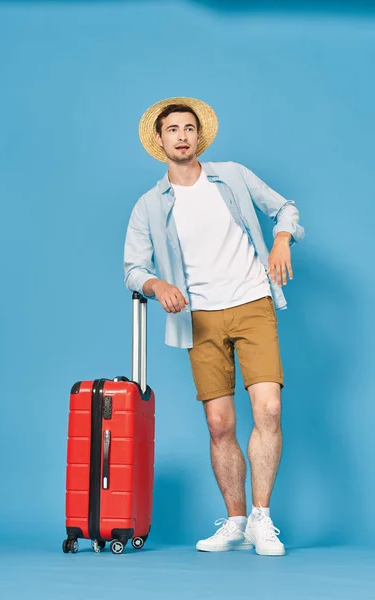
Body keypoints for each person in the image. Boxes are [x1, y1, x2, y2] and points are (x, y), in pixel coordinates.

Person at [124, 97, 305, 556]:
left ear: (198, 136)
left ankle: (263, 519)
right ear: (160, 140)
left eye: (189, 128)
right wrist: (155, 283)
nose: (182, 136)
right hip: (198, 318)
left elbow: (285, 208)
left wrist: (281, 239)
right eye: (173, 130)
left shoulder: (233, 176)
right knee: (219, 424)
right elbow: (131, 268)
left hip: (251, 303)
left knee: (269, 410)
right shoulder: (149, 204)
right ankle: (237, 521)